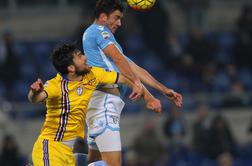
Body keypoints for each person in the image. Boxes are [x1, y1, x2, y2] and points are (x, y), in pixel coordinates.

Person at [82, 0, 183, 165]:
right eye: (116, 17)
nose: (120, 23)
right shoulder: (99, 31)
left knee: (95, 161)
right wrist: (144, 93)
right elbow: (119, 61)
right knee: (112, 164)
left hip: (99, 104)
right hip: (105, 103)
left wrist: (162, 90)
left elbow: (135, 68)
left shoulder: (106, 43)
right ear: (102, 17)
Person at [28, 43, 154, 165]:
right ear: (71, 68)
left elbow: (122, 77)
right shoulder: (56, 86)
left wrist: (135, 86)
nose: (85, 57)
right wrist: (34, 92)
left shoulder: (92, 74)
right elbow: (36, 98)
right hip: (50, 148)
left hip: (67, 153)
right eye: (79, 56)